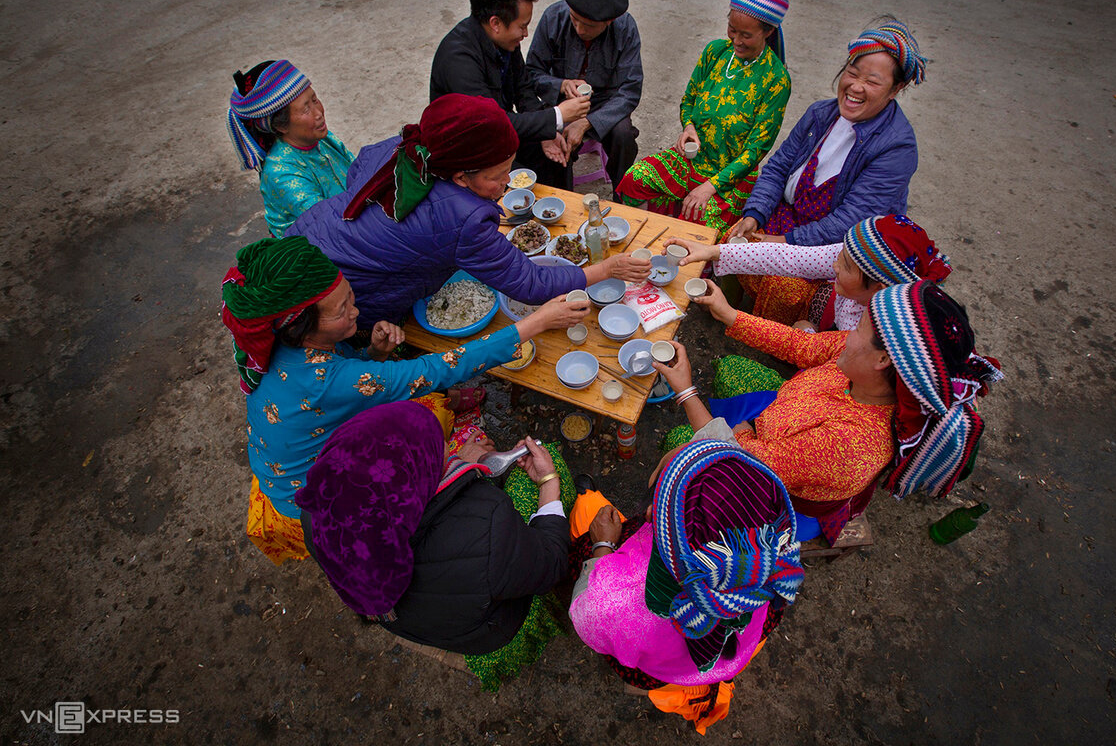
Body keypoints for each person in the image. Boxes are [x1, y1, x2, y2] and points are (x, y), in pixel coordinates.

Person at [221, 235, 587, 565]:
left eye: (350, 297)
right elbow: (437, 369)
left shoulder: (278, 348)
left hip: (283, 463)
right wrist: (537, 321)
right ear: (299, 326)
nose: (356, 311)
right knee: (425, 416)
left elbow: (342, 388)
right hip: (313, 498)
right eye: (341, 311)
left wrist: (373, 355)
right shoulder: (327, 379)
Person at [655, 279, 1002, 542]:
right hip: (775, 426)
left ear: (883, 359)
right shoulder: (860, 363)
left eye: (860, 328)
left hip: (775, 492)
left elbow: (739, 460)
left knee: (677, 447)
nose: (848, 334)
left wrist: (685, 390)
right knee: (730, 370)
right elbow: (802, 344)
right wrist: (727, 311)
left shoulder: (848, 446)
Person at [287, 93, 649, 328]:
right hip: (342, 292)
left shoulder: (408, 147)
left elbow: (358, 171)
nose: (508, 184)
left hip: (308, 237)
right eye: (498, 176)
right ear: (460, 176)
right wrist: (606, 268)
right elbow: (531, 283)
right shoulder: (464, 220)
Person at [298, 402, 574, 690]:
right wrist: (548, 481)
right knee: (545, 465)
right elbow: (552, 562)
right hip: (484, 629)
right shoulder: (487, 526)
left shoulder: (319, 513)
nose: (447, 450)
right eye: (440, 449)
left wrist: (460, 463)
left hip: (416, 621)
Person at [567, 440, 806, 734]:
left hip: (662, 671)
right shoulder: (770, 561)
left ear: (654, 515)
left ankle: (585, 499)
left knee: (587, 516)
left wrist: (603, 545)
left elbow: (583, 611)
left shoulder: (612, 600)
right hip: (739, 650)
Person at [615, 0, 791, 235]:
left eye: (746, 35)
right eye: (732, 29)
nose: (736, 41)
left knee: (700, 222)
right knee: (634, 179)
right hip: (691, 158)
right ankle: (644, 239)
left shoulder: (776, 80)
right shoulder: (715, 52)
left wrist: (710, 187)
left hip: (730, 175)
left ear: (768, 32)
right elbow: (688, 100)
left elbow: (755, 151)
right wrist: (687, 127)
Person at [728, 19, 928, 247]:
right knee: (729, 235)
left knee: (771, 275)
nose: (856, 87)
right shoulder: (820, 114)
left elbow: (850, 221)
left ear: (895, 89)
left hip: (832, 246)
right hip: (786, 221)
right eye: (852, 73)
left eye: (872, 82)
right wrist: (754, 215)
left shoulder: (898, 149)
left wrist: (780, 243)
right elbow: (779, 168)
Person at [430, 0, 590, 191]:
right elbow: (490, 122)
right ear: (496, 23)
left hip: (499, 130)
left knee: (557, 150)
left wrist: (547, 132)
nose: (525, 34)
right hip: (471, 147)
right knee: (519, 181)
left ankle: (564, 213)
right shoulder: (458, 58)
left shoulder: (504, 40)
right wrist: (558, 115)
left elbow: (523, 88)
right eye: (522, 26)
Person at [662, 213, 951, 328]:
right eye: (839, 254)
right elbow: (788, 257)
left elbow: (823, 359)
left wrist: (730, 315)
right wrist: (713, 251)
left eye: (845, 265)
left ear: (878, 288)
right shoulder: (862, 266)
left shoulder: (875, 333)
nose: (834, 264)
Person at [526, 0, 642, 187]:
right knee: (551, 140)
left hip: (605, 104)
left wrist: (588, 122)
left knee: (624, 135)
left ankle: (622, 196)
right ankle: (563, 197)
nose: (579, 29)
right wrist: (560, 85)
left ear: (609, 21)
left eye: (588, 25)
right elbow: (531, 72)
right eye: (574, 19)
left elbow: (630, 90)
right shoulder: (554, 17)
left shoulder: (625, 28)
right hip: (563, 103)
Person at [227, 60, 355, 237]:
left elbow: (358, 169)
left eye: (315, 99)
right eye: (305, 109)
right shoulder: (281, 173)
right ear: (281, 126)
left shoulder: (320, 137)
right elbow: (330, 222)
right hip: (319, 243)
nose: (318, 113)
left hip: (349, 218)